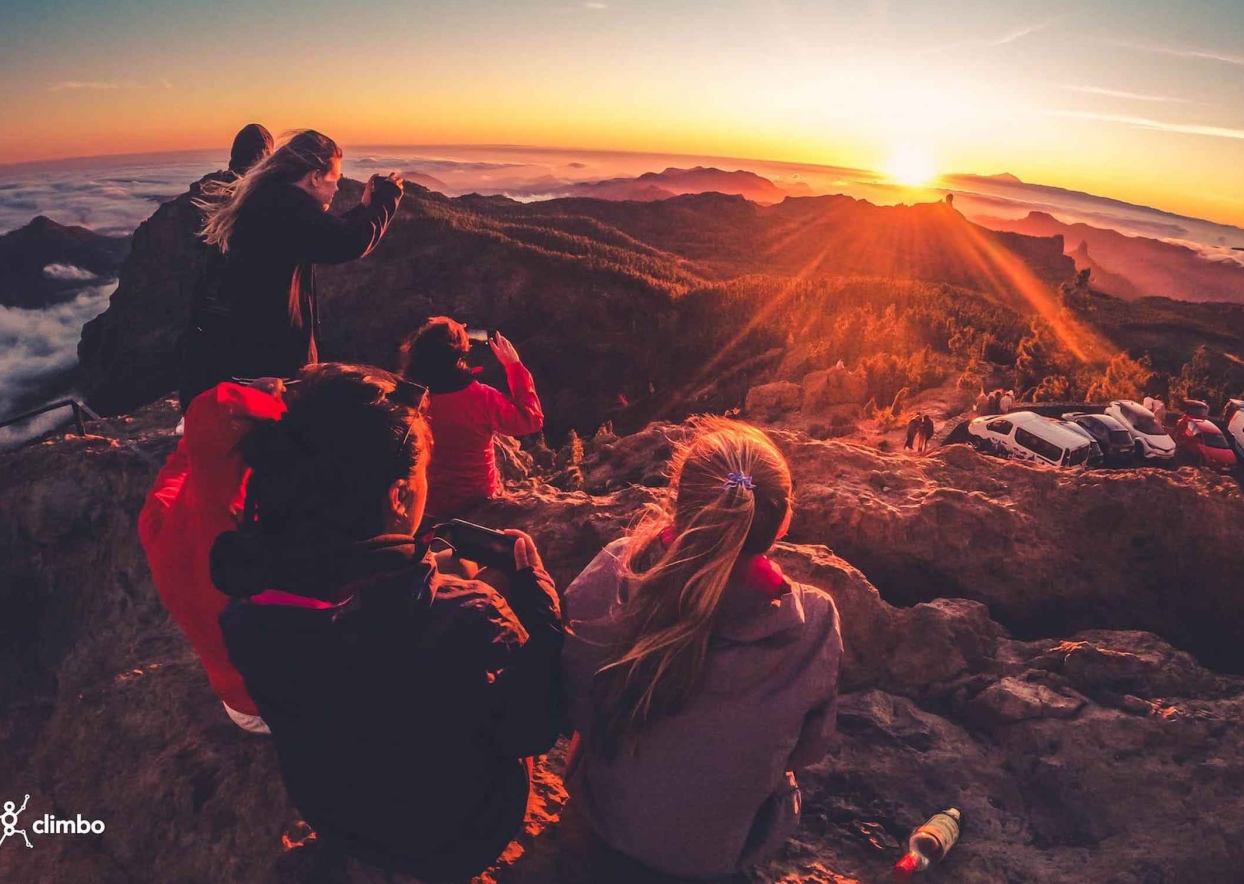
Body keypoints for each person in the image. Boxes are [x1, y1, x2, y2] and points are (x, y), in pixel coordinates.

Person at [210, 363, 564, 882]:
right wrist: (538, 599)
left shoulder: (248, 612)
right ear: (398, 496)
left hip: (336, 818)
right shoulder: (468, 615)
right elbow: (532, 729)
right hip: (456, 840)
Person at [560, 416, 842, 880]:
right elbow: (807, 751)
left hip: (601, 818)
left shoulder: (617, 568)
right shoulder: (813, 623)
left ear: (677, 504)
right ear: (783, 522)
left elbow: (572, 692)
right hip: (712, 855)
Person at [180, 130, 405, 410]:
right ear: (314, 176)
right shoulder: (285, 208)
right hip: (262, 360)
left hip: (241, 352)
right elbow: (346, 242)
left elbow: (325, 234)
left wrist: (363, 209)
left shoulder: (271, 201)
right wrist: (387, 199)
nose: (337, 189)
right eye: (334, 179)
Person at [139, 378, 289, 733]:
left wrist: (196, 440)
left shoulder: (157, 523)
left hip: (237, 705)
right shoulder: (268, 538)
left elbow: (177, 472)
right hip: (287, 703)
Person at [398, 318, 544, 518]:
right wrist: (514, 366)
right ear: (460, 353)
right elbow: (531, 419)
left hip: (425, 503)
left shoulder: (407, 396)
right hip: (475, 502)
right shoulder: (481, 398)